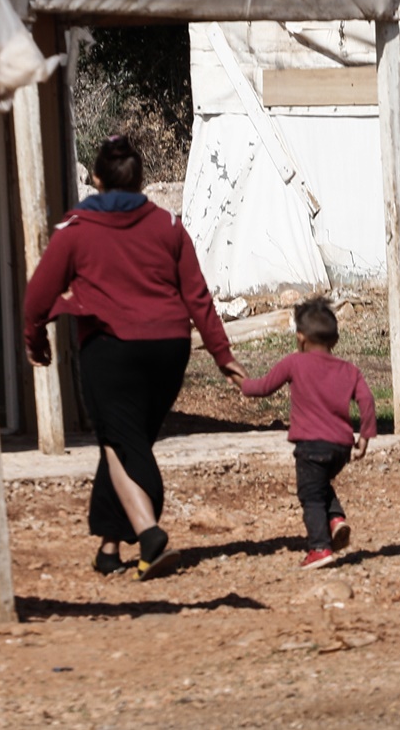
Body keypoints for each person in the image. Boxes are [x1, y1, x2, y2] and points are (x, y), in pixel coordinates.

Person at [23, 134, 246, 580]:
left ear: (97, 179)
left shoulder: (77, 230)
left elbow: (38, 294)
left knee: (122, 444)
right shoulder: (168, 226)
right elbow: (197, 295)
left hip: (112, 350)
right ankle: (109, 548)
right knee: (122, 438)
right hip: (169, 349)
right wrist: (222, 353)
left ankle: (149, 533)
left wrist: (35, 338)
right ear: (140, 180)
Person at [239, 297, 377, 570]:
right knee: (320, 482)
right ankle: (336, 519)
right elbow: (367, 401)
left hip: (310, 446)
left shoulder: (294, 363)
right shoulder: (350, 370)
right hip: (340, 447)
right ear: (334, 340)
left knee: (310, 494)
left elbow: (263, 387)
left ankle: (319, 547)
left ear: (300, 338)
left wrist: (241, 382)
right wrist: (365, 436)